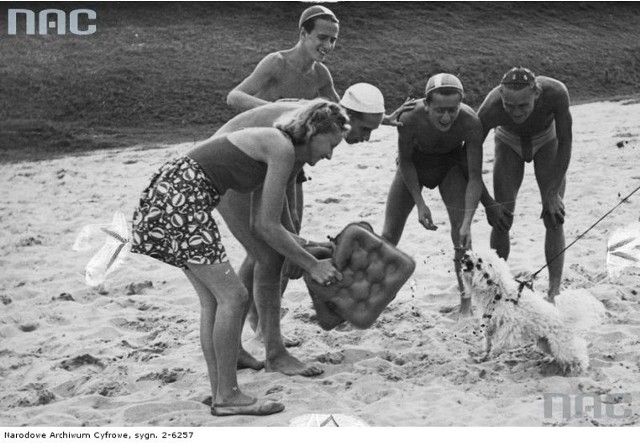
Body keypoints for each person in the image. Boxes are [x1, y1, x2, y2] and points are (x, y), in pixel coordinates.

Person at [130, 100, 349, 416]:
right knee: (233, 296)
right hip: (182, 197)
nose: (330, 154)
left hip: (170, 194)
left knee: (215, 301)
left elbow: (262, 224)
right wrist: (312, 264)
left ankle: (221, 392)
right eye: (331, 144)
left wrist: (315, 248)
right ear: (314, 131)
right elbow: (268, 227)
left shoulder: (280, 151)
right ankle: (227, 395)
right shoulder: (282, 148)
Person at [214, 83, 404, 376]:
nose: (366, 138)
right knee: (268, 254)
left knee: (271, 252)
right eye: (366, 130)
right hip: (230, 174)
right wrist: (304, 257)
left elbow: (286, 204)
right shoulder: (303, 128)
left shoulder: (314, 121)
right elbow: (271, 223)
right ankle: (272, 350)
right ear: (346, 118)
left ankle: (248, 345)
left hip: (248, 168)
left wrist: (299, 245)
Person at [381, 73, 484, 317]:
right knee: (388, 235)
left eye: (453, 109)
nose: (446, 117)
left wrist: (468, 221)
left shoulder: (470, 122)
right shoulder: (409, 117)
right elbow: (405, 162)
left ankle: (466, 303)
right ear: (426, 104)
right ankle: (378, 294)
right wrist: (420, 203)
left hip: (448, 168)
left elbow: (475, 176)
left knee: (462, 238)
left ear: (461, 104)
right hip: (415, 166)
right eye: (439, 110)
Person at [477, 67, 573, 301]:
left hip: (547, 140)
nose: (516, 112)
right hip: (508, 142)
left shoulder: (556, 92)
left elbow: (566, 141)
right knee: (502, 218)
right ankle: (498, 286)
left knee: (553, 215)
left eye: (523, 105)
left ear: (536, 94)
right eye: (509, 106)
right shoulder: (490, 108)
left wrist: (552, 194)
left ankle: (554, 291)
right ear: (501, 95)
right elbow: (467, 159)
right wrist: (488, 203)